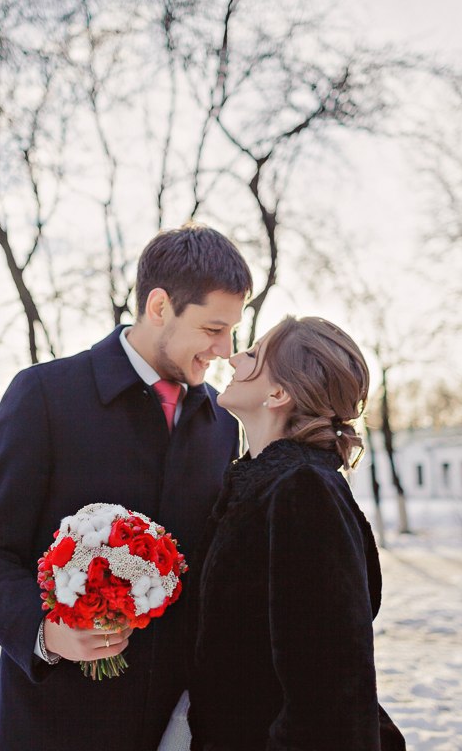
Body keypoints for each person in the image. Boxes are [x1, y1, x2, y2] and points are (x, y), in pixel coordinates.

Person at [0, 223, 253, 751]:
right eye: (212, 329)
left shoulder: (222, 426)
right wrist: (47, 632)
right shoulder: (44, 396)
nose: (225, 350)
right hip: (55, 722)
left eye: (231, 331)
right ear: (159, 306)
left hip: (175, 728)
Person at [182, 316, 406, 751]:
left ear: (279, 394)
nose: (231, 356)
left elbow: (329, 695)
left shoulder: (304, 492)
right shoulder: (261, 486)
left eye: (252, 355)